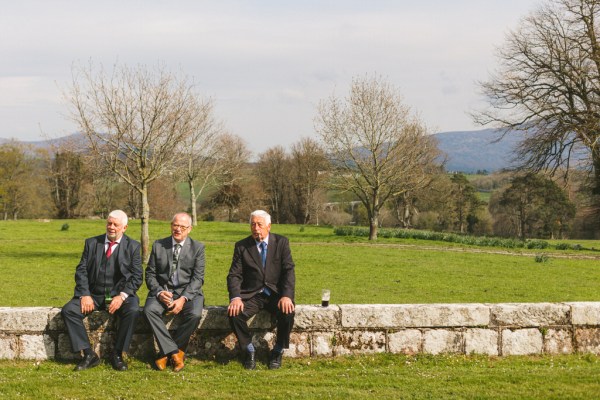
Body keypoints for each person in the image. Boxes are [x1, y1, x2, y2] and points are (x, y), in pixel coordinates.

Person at [61, 210, 142, 371]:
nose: (111, 227)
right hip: (94, 294)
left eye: (115, 225)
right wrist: (84, 294)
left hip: (119, 294)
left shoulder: (133, 246)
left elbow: (137, 276)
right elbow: (81, 270)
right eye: (109, 223)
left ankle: (117, 354)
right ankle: (89, 354)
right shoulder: (92, 243)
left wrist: (122, 296)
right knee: (69, 310)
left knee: (132, 310)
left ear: (124, 228)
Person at [227, 210, 296, 370]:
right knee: (234, 314)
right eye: (252, 224)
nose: (255, 228)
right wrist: (236, 297)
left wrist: (286, 296)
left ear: (269, 226)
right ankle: (248, 350)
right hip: (253, 295)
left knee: (288, 313)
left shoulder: (281, 243)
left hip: (275, 295)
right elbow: (234, 275)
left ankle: (278, 350)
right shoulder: (242, 246)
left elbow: (288, 271)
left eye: (259, 224)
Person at [143, 213, 205, 372]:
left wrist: (183, 299)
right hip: (163, 292)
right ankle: (176, 353)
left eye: (182, 227)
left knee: (195, 314)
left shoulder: (198, 248)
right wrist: (158, 292)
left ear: (189, 229)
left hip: (188, 293)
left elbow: (198, 279)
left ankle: (165, 353)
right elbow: (150, 274)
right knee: (149, 310)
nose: (177, 229)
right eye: (175, 225)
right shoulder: (159, 245)